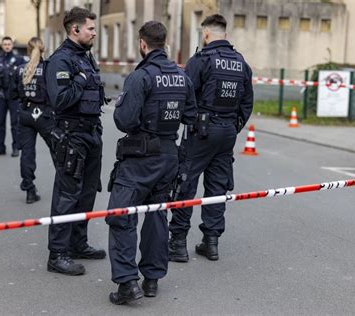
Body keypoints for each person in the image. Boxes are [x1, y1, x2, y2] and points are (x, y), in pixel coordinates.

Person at [105, 21, 197, 305]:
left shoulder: (141, 76)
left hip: (139, 157)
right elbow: (191, 115)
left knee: (121, 216)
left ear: (143, 44)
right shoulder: (182, 77)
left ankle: (127, 283)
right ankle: (152, 280)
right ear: (165, 42)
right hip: (169, 157)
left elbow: (124, 120)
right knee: (157, 216)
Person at [168, 14, 253, 263]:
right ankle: (211, 242)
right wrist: (234, 126)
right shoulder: (241, 62)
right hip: (227, 132)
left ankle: (178, 243)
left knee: (186, 183)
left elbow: (184, 93)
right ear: (224, 35)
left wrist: (189, 120)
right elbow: (247, 101)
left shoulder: (201, 60)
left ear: (205, 34)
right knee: (217, 187)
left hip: (201, 132)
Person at [45, 7, 107, 276]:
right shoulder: (61, 60)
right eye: (91, 29)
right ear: (75, 29)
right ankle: (57, 253)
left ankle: (78, 243)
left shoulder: (86, 57)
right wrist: (80, 81)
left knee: (87, 192)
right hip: (72, 136)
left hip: (92, 133)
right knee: (67, 194)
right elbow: (59, 100)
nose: (94, 33)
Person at [12, 37, 57, 204]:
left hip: (25, 114)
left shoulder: (19, 70)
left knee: (27, 154)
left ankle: (29, 190)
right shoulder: (48, 69)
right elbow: (54, 94)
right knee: (58, 150)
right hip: (44, 115)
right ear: (43, 50)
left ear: (27, 51)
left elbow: (13, 94)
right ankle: (64, 189)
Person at [0, 36, 25, 157]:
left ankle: (16, 147)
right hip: (1, 96)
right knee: (0, 123)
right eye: (5, 44)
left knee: (15, 123)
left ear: (12, 45)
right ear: (2, 45)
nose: (7, 46)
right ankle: (0, 147)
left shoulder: (19, 59)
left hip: (14, 96)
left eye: (9, 44)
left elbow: (24, 75)